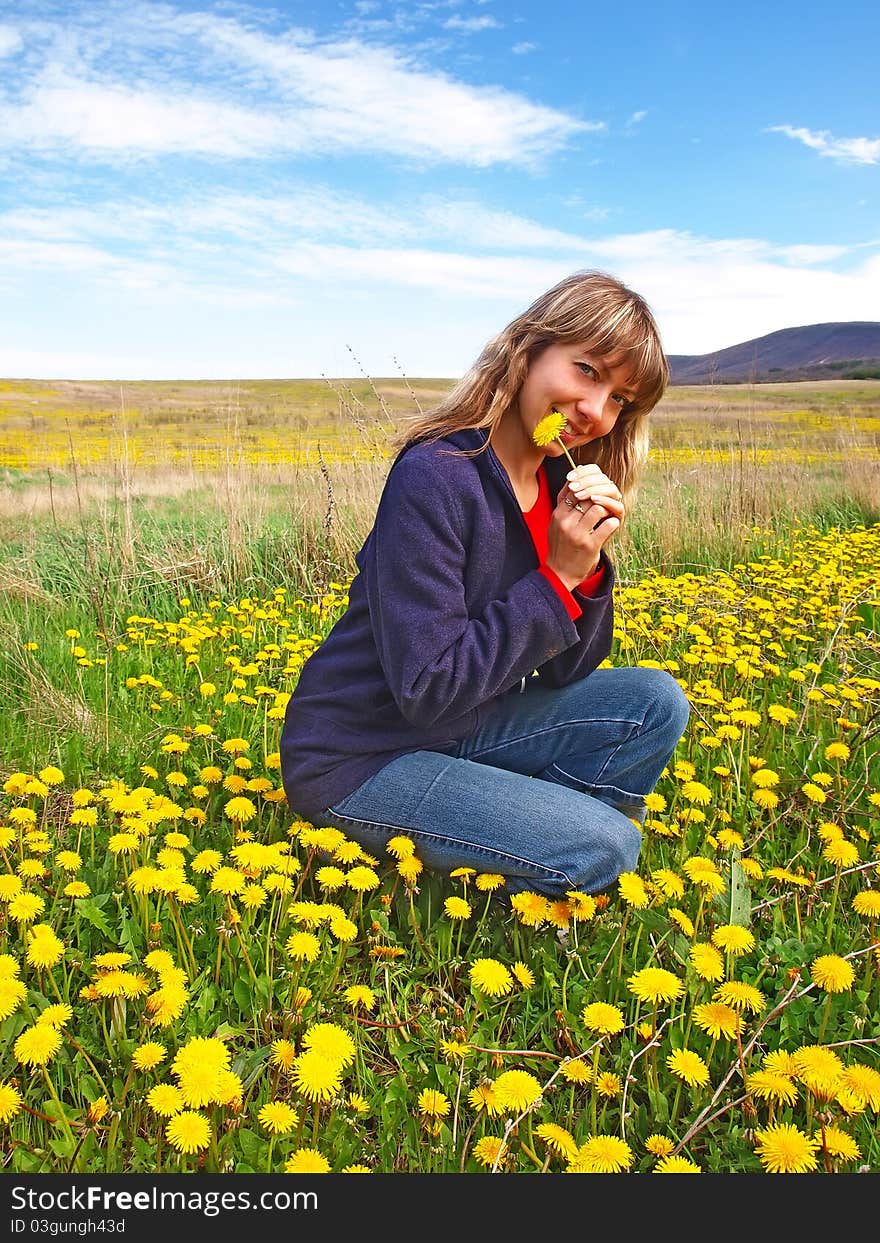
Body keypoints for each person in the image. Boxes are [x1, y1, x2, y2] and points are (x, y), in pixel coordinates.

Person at [280, 270, 690, 896]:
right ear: (527, 353)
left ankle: (518, 821)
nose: (594, 412)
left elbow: (565, 673)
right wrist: (555, 578)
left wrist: (586, 569)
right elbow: (428, 689)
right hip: (363, 754)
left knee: (655, 702)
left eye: (620, 401)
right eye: (586, 371)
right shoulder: (437, 476)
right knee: (606, 844)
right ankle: (546, 836)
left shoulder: (557, 486)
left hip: (464, 725)